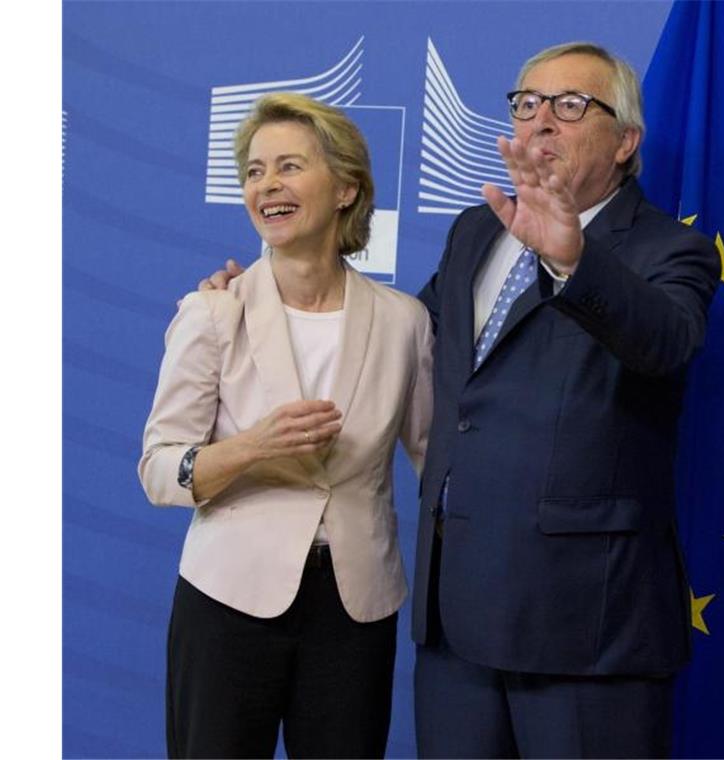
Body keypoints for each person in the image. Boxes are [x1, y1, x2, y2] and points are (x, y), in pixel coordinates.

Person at [204, 42, 719, 758]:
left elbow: (665, 341)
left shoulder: (669, 250)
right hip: (458, 628)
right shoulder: (478, 229)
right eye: (526, 103)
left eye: (570, 106)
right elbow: (395, 342)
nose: (541, 121)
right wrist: (265, 301)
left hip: (587, 631)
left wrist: (573, 259)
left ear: (625, 141)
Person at [139, 92, 433, 759]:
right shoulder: (212, 313)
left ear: (346, 189)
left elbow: (440, 465)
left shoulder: (404, 322)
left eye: (289, 167)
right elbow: (159, 469)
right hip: (227, 601)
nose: (267, 184)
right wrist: (249, 448)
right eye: (253, 170)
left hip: (356, 607)